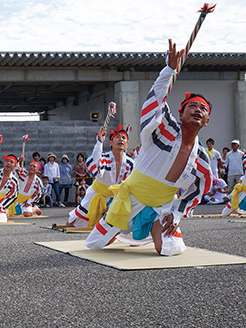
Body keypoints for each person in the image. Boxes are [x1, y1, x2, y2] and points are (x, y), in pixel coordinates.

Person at [85, 39, 212, 256]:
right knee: (96, 244)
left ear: (207, 120)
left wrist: (177, 213)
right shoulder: (164, 127)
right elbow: (155, 102)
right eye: (192, 106)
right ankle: (117, 225)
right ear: (180, 113)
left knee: (170, 249)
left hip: (163, 205)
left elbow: (200, 189)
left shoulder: (201, 158)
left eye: (203, 108)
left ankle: (157, 224)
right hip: (131, 196)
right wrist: (169, 70)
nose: (197, 110)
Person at [67, 125, 134, 228]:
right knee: (72, 222)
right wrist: (99, 142)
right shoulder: (104, 158)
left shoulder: (130, 163)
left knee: (117, 227)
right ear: (110, 143)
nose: (121, 139)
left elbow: (130, 185)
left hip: (116, 197)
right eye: (117, 137)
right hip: (96, 193)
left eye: (123, 138)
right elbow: (95, 162)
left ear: (127, 144)